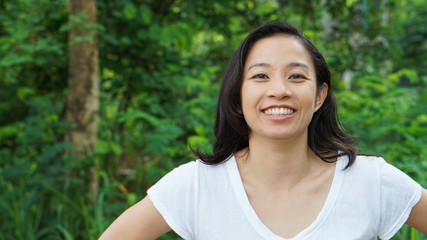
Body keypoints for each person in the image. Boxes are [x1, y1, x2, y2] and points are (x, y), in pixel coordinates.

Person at [99, 21, 427, 240]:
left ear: (319, 95)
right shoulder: (197, 185)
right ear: (238, 96)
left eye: (297, 76)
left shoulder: (370, 181)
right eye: (260, 76)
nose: (280, 90)